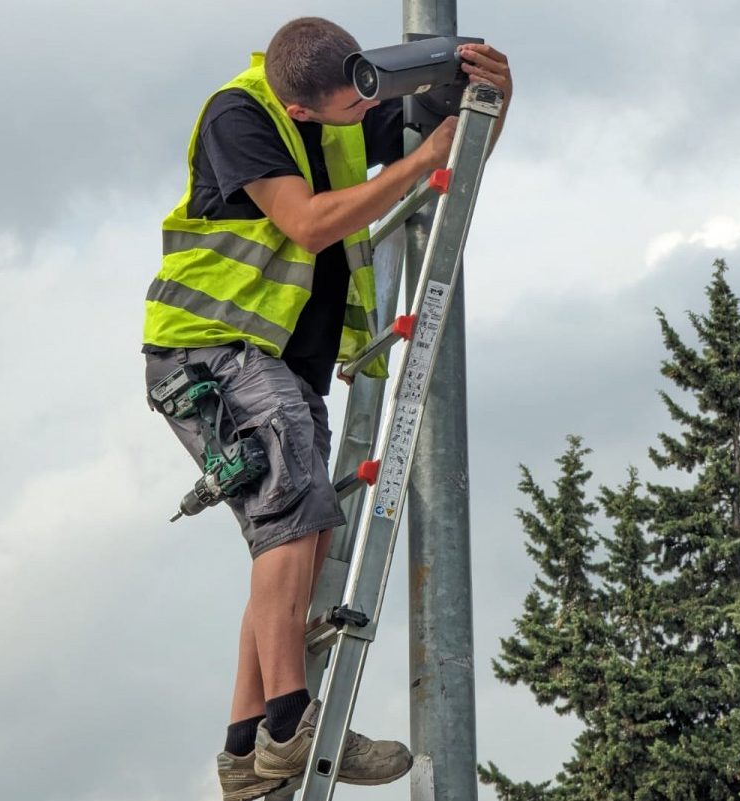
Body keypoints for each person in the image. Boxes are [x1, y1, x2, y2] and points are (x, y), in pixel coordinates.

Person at [142, 16, 512, 801]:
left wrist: (491, 99)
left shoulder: (342, 98)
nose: (361, 116)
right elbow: (308, 225)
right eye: (348, 109)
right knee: (294, 518)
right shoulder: (238, 116)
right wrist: (415, 162)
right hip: (212, 350)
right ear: (303, 106)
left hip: (282, 363)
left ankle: (246, 753)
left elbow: (451, 151)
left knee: (298, 538)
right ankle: (289, 725)